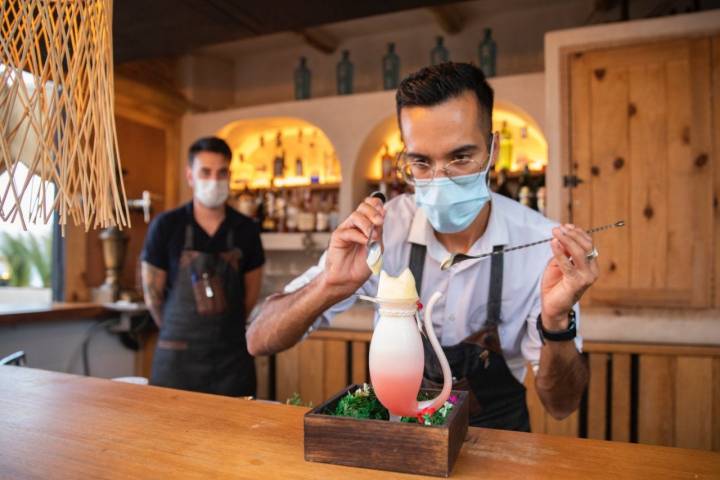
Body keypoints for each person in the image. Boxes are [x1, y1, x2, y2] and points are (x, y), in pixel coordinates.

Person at [247, 63, 596, 431]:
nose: (439, 180)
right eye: (421, 162)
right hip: (399, 438)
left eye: (460, 157)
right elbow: (257, 339)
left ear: (492, 150)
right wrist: (330, 283)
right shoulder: (385, 231)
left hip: (497, 441)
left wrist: (557, 324)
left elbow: (562, 405)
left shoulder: (540, 245)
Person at [141, 136, 264, 397]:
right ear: (190, 176)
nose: (214, 180)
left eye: (221, 173)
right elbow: (153, 296)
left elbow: (251, 293)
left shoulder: (246, 230)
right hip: (176, 361)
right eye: (205, 172)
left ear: (229, 176)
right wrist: (179, 331)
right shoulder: (166, 226)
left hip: (232, 360)